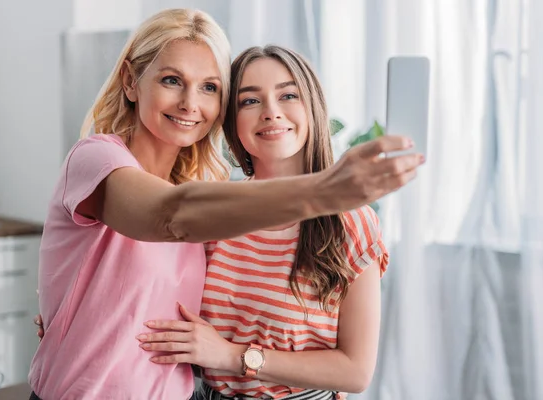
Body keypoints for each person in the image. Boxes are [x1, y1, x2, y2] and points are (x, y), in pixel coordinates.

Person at [30, 8, 423, 400]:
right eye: (171, 80)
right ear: (131, 82)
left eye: (209, 88)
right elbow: (170, 216)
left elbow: (162, 303)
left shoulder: (207, 200)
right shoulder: (101, 161)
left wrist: (75, 308)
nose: (189, 103)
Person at [136, 45, 393, 400]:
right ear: (231, 121)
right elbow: (169, 315)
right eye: (250, 101)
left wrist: (232, 356)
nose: (271, 113)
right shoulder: (214, 212)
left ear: (313, 108)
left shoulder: (350, 220)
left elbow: (355, 371)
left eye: (288, 95)